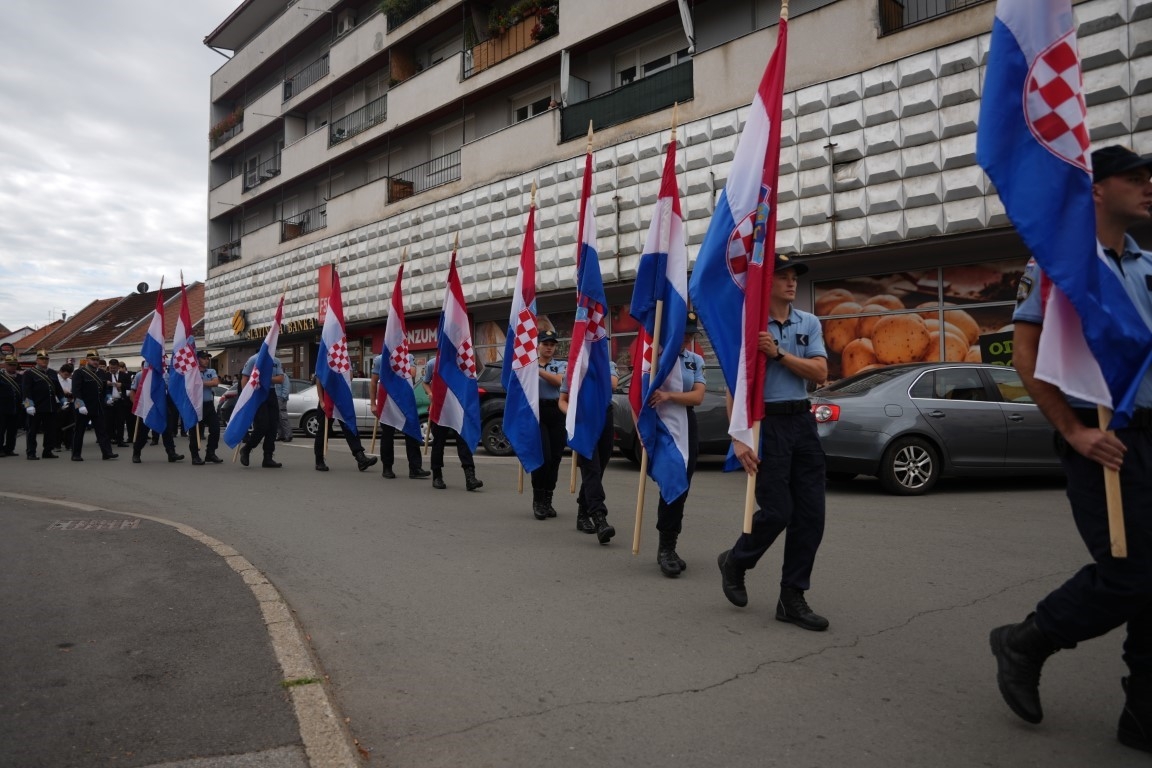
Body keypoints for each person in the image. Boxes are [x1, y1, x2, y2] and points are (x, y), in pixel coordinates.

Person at [988, 145, 1152, 751]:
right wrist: (1075, 431)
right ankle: (1029, 639)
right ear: (1098, 190)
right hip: (1104, 434)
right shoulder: (1060, 265)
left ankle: (1143, 713)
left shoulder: (1147, 265)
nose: (1147, 185)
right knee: (1132, 571)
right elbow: (1028, 360)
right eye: (1132, 177)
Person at [716, 254, 830, 631]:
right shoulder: (748, 328)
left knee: (811, 516)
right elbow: (737, 385)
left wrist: (778, 354)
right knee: (778, 510)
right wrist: (739, 437)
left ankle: (792, 597)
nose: (792, 282)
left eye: (794, 276)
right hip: (767, 426)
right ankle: (736, 560)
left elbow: (820, 373)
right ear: (766, 284)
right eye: (783, 276)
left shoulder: (808, 322)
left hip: (802, 419)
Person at [647, 312, 707, 577]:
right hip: (661, 425)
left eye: (690, 334)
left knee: (683, 486)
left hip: (686, 425)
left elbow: (697, 397)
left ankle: (670, 544)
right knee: (671, 480)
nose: (686, 339)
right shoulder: (655, 357)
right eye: (682, 333)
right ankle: (665, 550)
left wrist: (670, 395)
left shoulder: (695, 361)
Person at [559, 357, 619, 544]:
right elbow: (562, 400)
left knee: (599, 469)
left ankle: (583, 512)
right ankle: (599, 518)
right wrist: (572, 413)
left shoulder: (607, 363)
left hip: (604, 417)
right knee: (590, 468)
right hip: (582, 420)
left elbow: (613, 385)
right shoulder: (572, 368)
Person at [422, 356, 483, 491]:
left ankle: (470, 477)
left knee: (463, 442)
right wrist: (430, 393)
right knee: (439, 443)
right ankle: (437, 476)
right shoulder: (433, 363)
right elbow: (425, 382)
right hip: (441, 408)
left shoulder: (464, 362)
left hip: (458, 409)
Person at [368, 353, 430, 480]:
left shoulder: (408, 356)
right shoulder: (380, 359)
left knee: (412, 434)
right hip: (388, 402)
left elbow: (412, 373)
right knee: (387, 435)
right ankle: (387, 467)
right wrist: (373, 403)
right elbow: (374, 382)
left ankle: (415, 468)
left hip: (405, 402)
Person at [530, 329, 567, 520]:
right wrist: (531, 368)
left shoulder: (561, 365)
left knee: (555, 458)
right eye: (545, 344)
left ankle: (548, 500)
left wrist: (538, 371)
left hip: (557, 411)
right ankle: (538, 499)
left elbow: (561, 382)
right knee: (543, 457)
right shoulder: (528, 365)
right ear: (538, 345)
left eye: (552, 345)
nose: (549, 348)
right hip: (538, 413)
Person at [312, 377, 378, 472]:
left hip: (342, 399)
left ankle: (360, 458)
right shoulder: (324, 361)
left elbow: (349, 377)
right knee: (323, 430)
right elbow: (319, 379)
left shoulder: (346, 361)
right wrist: (322, 401)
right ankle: (319, 461)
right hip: (328, 397)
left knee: (350, 426)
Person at [130, 362, 183, 464]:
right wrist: (137, 406)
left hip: (162, 406)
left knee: (167, 430)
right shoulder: (141, 374)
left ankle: (171, 453)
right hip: (147, 407)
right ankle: (136, 453)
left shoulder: (165, 375)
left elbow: (169, 390)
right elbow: (133, 391)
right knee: (142, 432)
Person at [238, 351, 284, 468]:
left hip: (271, 392)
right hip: (257, 392)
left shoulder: (276, 360)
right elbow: (245, 378)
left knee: (273, 426)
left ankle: (268, 457)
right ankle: (247, 448)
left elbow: (280, 379)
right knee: (263, 425)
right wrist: (245, 397)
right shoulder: (254, 359)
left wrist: (266, 378)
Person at [71, 350, 117, 461]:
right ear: (87, 360)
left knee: (102, 431)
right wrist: (80, 405)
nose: (96, 362)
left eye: (97, 360)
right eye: (93, 360)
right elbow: (76, 391)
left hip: (98, 407)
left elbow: (106, 388)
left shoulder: (101, 373)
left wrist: (108, 397)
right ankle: (76, 454)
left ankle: (107, 453)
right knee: (79, 432)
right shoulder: (79, 373)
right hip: (84, 407)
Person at [21, 351, 62, 460]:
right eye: (42, 359)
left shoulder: (53, 373)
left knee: (50, 431)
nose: (44, 361)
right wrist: (28, 405)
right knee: (32, 431)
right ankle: (31, 452)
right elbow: (25, 390)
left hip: (50, 406)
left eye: (46, 359)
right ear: (37, 360)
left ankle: (48, 451)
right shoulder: (29, 373)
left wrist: (63, 400)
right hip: (35, 407)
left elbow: (58, 389)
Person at [190, 350, 223, 465]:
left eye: (208, 358)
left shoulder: (211, 371)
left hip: (208, 405)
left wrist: (200, 382)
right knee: (196, 431)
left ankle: (210, 453)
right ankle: (195, 455)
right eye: (204, 358)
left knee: (215, 429)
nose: (207, 360)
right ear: (198, 359)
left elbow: (215, 382)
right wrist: (205, 382)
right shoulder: (192, 372)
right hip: (196, 405)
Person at [0, 355, 22, 456]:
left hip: (16, 408)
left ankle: (9, 448)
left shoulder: (20, 377)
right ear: (5, 364)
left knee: (12, 430)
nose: (12, 367)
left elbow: (24, 393)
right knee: (1, 430)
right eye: (10, 365)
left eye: (14, 365)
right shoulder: (1, 376)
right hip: (2, 408)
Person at [275, 368, 293, 442]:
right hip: (275, 397)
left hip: (280, 398)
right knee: (277, 417)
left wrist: (283, 397)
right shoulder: (275, 376)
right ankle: (281, 435)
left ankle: (288, 435)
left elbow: (286, 387)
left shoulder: (284, 376)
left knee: (283, 417)